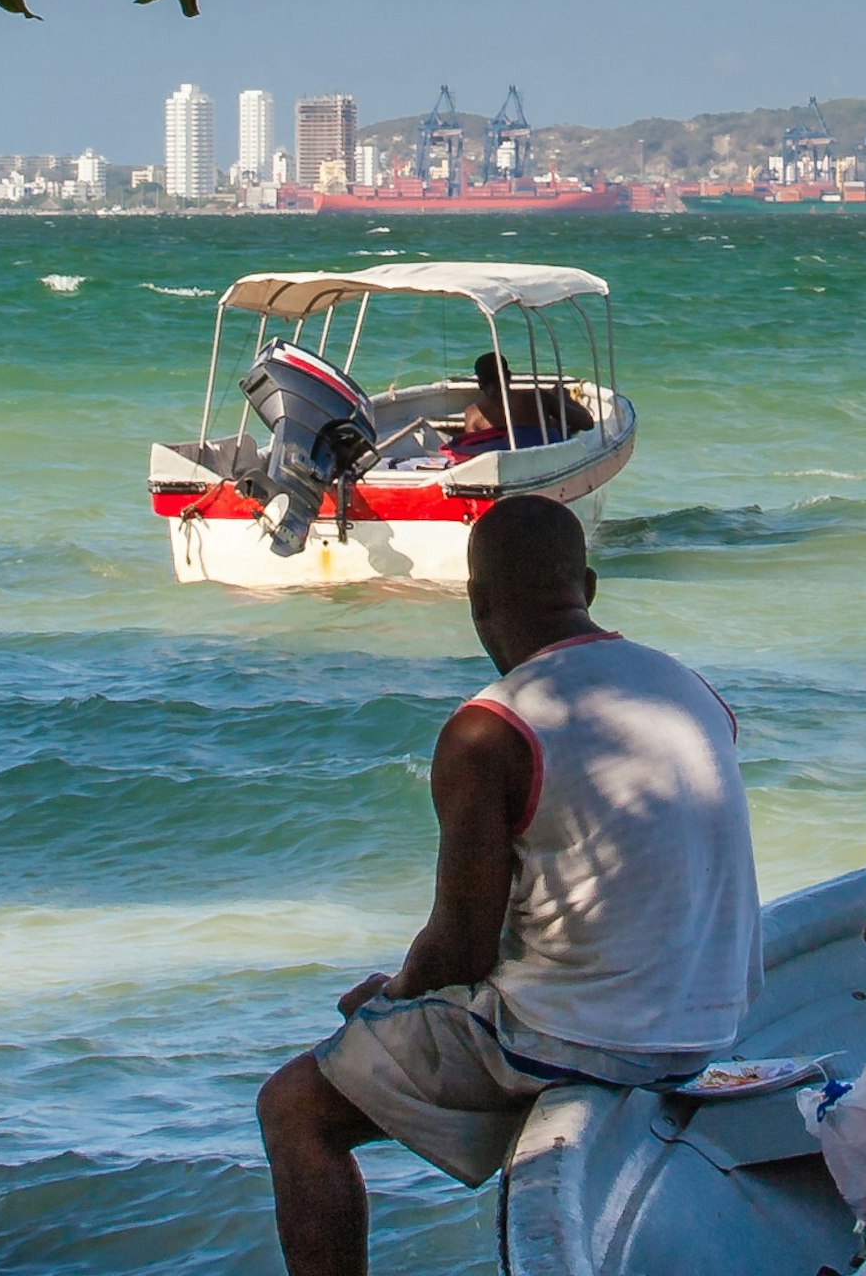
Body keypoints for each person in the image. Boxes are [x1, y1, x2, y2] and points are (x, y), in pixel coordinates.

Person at [258, 494, 760, 1276]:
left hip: (599, 1038)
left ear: (477, 600)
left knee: (294, 1109)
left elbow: (459, 949)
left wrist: (391, 999)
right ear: (586, 588)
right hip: (714, 1021)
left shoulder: (488, 729)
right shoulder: (688, 688)